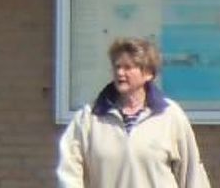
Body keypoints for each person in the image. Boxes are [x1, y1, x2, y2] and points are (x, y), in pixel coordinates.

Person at [56, 35, 211, 188]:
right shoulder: (89, 117)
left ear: (148, 73)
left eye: (128, 67)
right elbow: (69, 169)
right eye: (117, 67)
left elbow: (192, 174)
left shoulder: (170, 115)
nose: (120, 73)